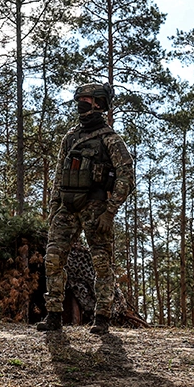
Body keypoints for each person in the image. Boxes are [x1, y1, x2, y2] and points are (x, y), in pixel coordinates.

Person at [37, 83, 134, 335]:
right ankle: (54, 314)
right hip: (67, 208)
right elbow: (59, 175)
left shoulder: (110, 139)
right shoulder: (70, 138)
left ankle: (102, 317)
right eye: (79, 98)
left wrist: (110, 211)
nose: (81, 102)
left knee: (102, 263)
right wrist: (54, 208)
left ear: (99, 104)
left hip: (96, 208)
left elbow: (126, 176)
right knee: (53, 259)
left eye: (87, 99)